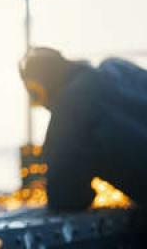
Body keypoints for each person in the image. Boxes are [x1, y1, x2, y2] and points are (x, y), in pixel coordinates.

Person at [19, 47, 147, 210]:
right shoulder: (118, 67)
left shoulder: (69, 107)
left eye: (36, 96)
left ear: (41, 86)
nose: (42, 106)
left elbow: (64, 196)